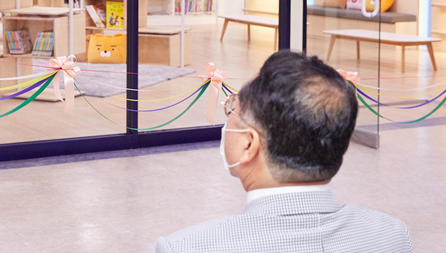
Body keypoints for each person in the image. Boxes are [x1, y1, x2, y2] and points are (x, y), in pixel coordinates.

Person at [154, 51, 413, 253]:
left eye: (232, 108)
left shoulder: (184, 247)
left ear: (249, 144)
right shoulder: (392, 236)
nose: (228, 117)